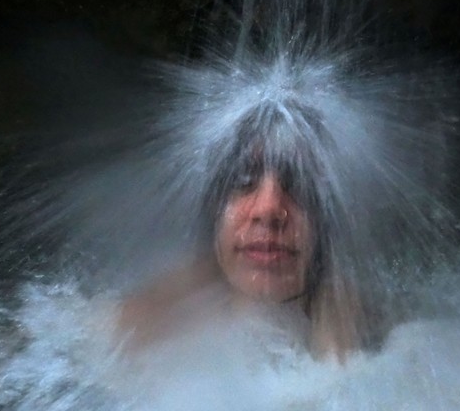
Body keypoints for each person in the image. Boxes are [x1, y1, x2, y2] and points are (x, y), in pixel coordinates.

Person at [117, 100, 366, 360]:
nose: (268, 209)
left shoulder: (391, 338)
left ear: (327, 217)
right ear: (214, 207)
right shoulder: (131, 331)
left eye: (298, 181)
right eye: (242, 178)